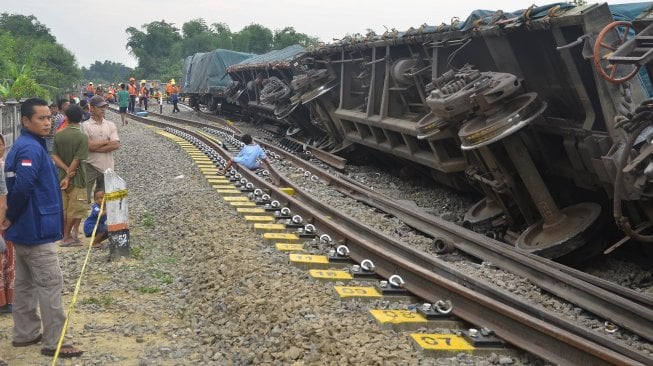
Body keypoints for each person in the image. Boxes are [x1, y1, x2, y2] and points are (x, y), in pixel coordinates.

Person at [2, 98, 84, 358]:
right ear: (25, 121)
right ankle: (54, 341)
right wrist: (11, 215)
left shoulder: (26, 145)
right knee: (50, 283)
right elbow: (22, 187)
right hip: (34, 229)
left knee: (25, 284)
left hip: (27, 229)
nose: (48, 122)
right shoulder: (30, 150)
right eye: (41, 118)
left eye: (49, 117)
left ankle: (25, 333)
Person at [51, 105, 88, 247]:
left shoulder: (59, 134)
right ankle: (66, 237)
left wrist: (65, 171)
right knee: (76, 208)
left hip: (61, 176)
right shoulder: (82, 136)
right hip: (77, 178)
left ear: (66, 117)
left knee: (65, 208)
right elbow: (77, 159)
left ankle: (67, 235)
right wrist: (69, 175)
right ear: (81, 118)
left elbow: (54, 155)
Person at [81, 95, 119, 203]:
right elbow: (88, 146)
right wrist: (107, 141)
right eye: (100, 107)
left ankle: (101, 219)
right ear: (91, 108)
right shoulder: (85, 125)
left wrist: (95, 148)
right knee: (85, 198)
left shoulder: (110, 124)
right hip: (90, 166)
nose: (103, 109)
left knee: (105, 200)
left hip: (107, 167)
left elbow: (116, 144)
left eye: (105, 107)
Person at [0, 134, 14, 315]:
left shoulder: (4, 165)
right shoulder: (3, 166)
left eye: (1, 144)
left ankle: (5, 300)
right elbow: (4, 198)